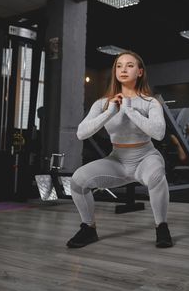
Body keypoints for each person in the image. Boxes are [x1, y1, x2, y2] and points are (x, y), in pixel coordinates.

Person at [66, 51, 173, 249]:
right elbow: (81, 133)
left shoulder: (151, 103)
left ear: (140, 72)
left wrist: (130, 111)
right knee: (78, 181)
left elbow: (158, 133)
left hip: (145, 158)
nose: (123, 69)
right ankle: (88, 228)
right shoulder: (102, 104)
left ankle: (162, 226)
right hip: (118, 160)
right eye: (119, 65)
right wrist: (109, 112)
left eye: (130, 65)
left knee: (157, 174)